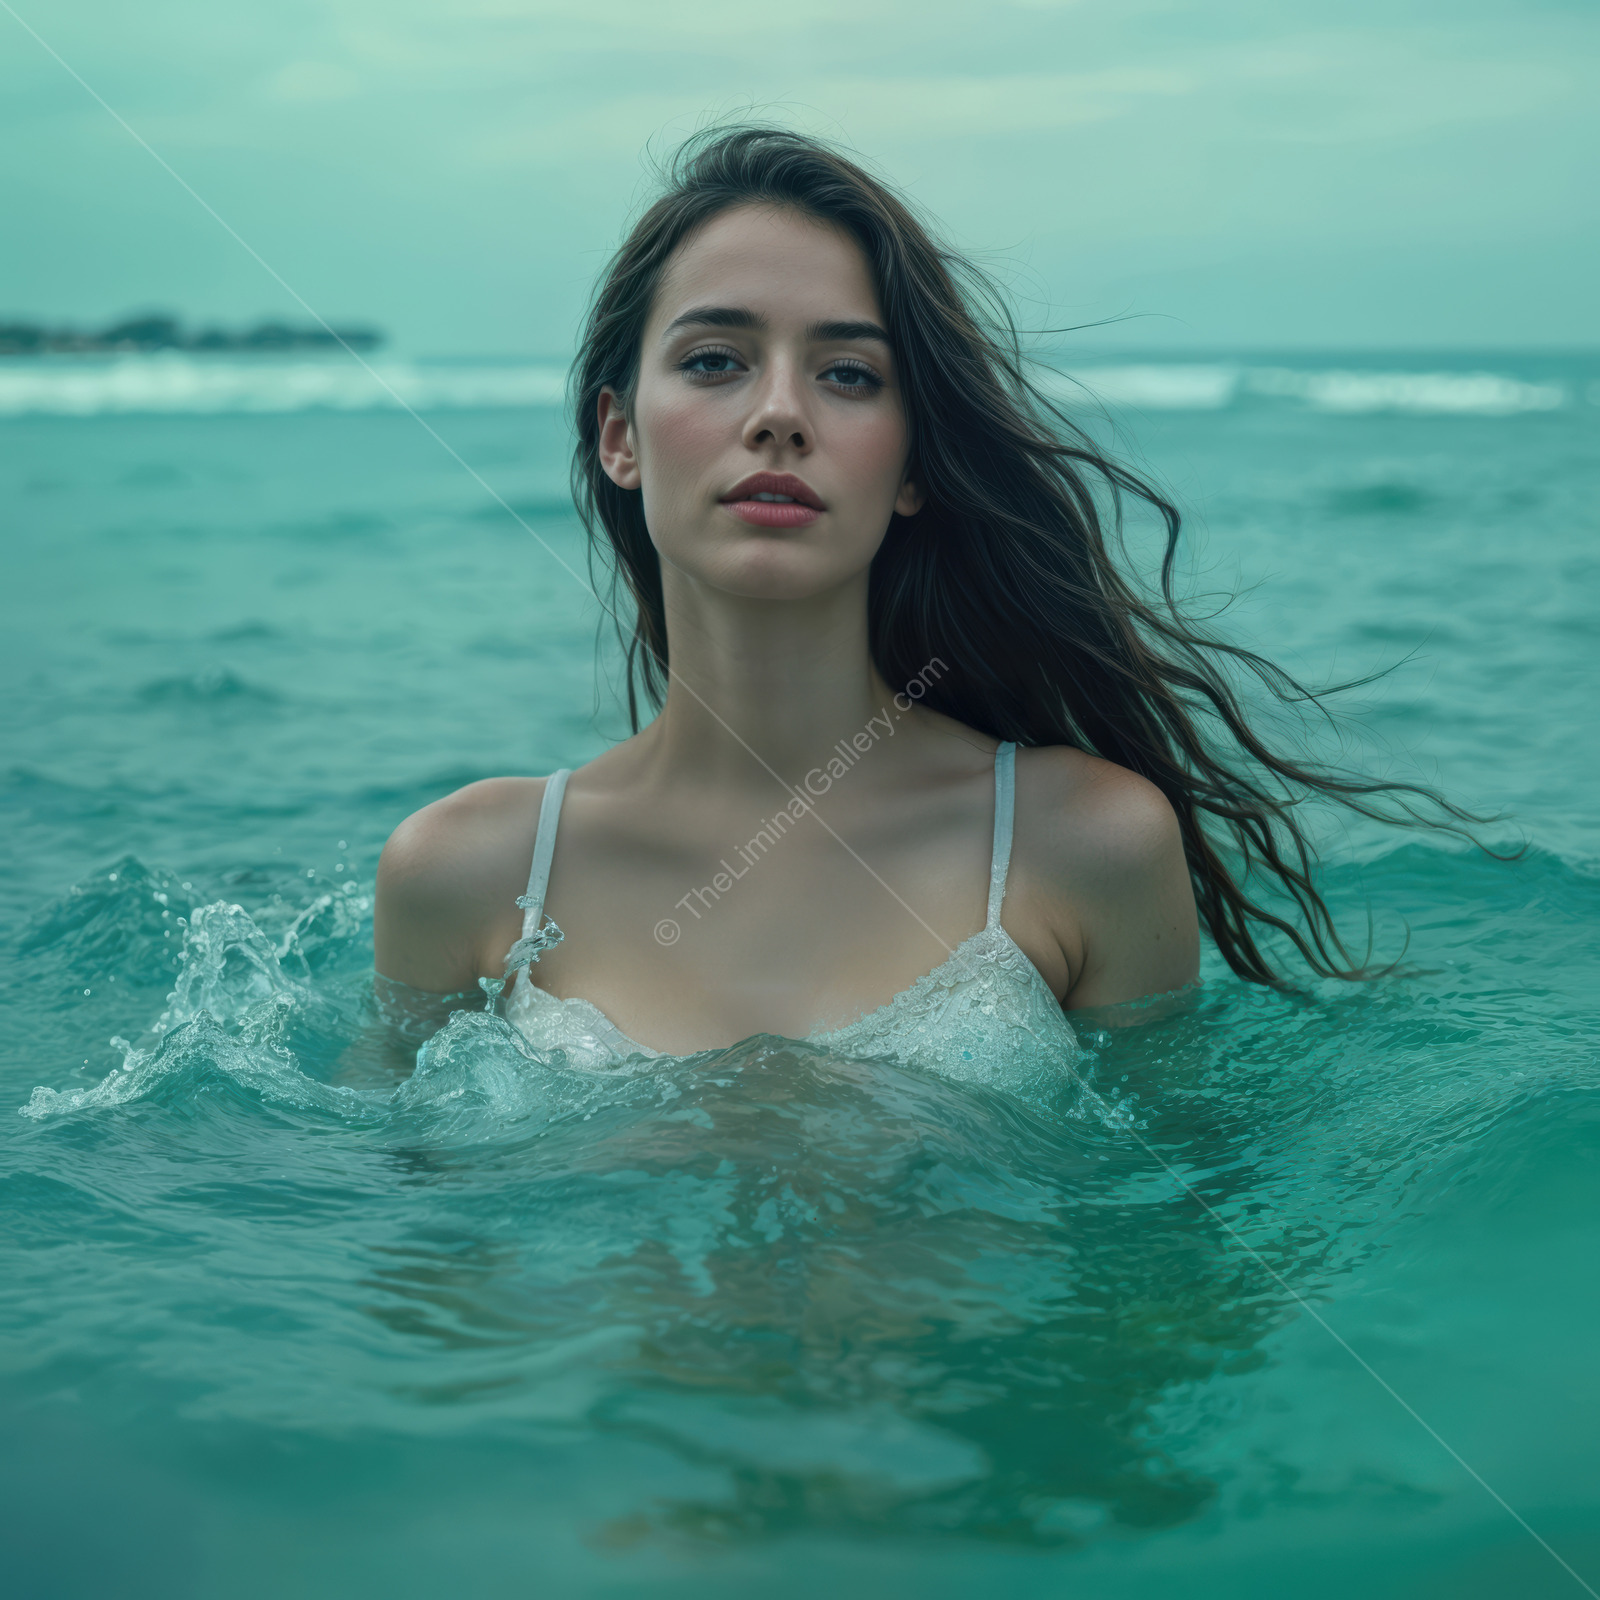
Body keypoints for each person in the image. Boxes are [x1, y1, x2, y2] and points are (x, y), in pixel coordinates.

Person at [373, 127, 1475, 1081]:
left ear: (911, 465)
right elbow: (410, 1275)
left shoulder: (1083, 843)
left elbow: (1163, 1276)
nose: (778, 414)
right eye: (715, 360)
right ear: (618, 435)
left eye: (849, 374)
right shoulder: (463, 873)